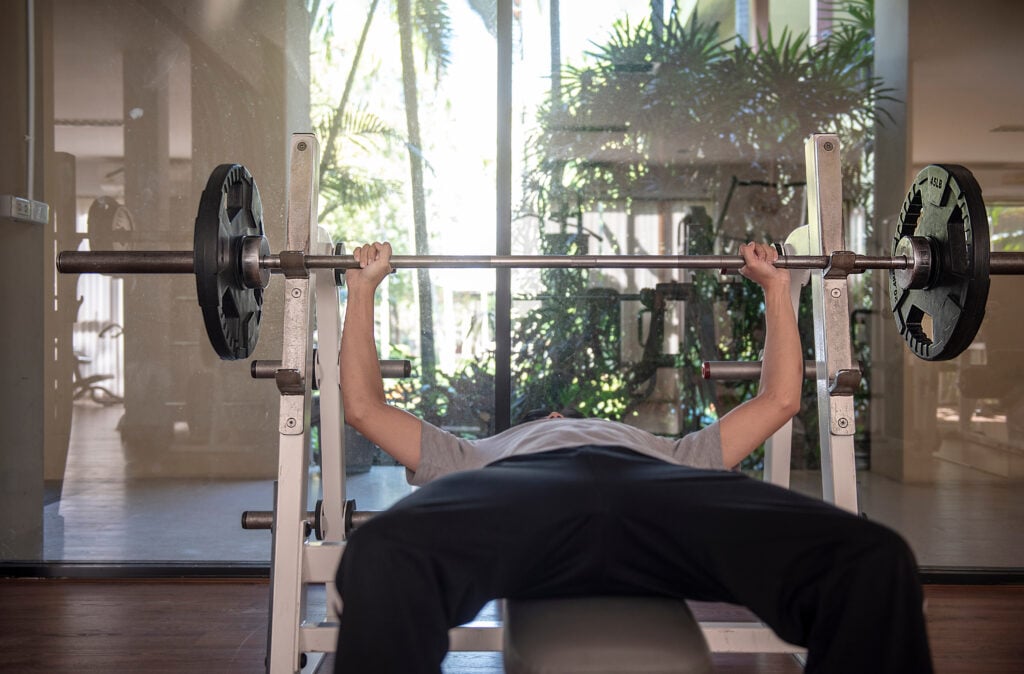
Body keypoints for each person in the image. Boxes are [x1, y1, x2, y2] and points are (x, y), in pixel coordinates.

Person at [335, 241, 933, 674]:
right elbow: (363, 407)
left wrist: (778, 289)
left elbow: (779, 399)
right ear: (544, 424)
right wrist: (360, 290)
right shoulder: (472, 455)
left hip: (653, 489)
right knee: (380, 555)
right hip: (528, 492)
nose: (558, 417)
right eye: (552, 416)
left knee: (874, 560)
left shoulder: (676, 452)